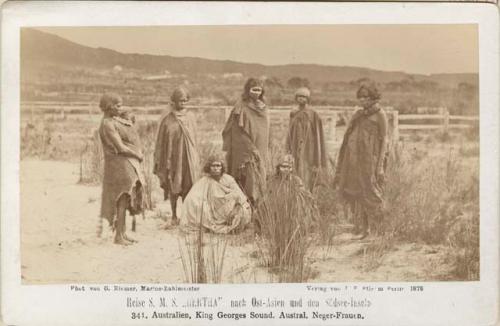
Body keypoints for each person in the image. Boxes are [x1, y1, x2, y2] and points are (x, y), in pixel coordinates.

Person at [334, 82, 388, 240]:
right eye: (360, 97)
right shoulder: (358, 114)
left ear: (373, 97)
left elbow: (384, 139)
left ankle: (378, 230)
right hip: (353, 160)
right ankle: (364, 230)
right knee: (357, 193)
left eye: (366, 97)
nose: (363, 100)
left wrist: (380, 166)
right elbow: (349, 134)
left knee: (371, 193)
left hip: (370, 160)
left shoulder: (380, 114)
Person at [97, 93, 145, 245]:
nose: (120, 108)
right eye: (117, 105)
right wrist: (137, 154)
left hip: (122, 164)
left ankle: (122, 233)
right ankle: (118, 236)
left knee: (124, 199)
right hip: (117, 164)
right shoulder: (107, 124)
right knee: (121, 198)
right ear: (109, 106)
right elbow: (120, 147)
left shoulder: (111, 121)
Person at [154, 86, 200, 227]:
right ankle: (174, 215)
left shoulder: (191, 117)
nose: (183, 103)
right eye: (180, 100)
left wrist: (195, 156)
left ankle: (186, 216)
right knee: (174, 185)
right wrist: (162, 160)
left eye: (186, 100)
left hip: (188, 158)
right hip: (173, 160)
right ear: (174, 101)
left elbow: (195, 139)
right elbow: (162, 142)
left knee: (188, 186)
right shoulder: (168, 120)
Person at [222, 78, 269, 206]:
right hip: (244, 151)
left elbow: (264, 131)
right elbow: (237, 131)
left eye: (259, 90)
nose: (256, 93)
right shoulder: (240, 107)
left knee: (259, 178)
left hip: (261, 148)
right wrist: (250, 149)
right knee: (246, 180)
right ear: (248, 90)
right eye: (254, 90)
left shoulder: (263, 107)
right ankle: (244, 210)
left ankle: (255, 211)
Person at [181, 155, 252, 234]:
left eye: (218, 165)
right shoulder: (205, 181)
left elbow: (240, 196)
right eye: (213, 166)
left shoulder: (228, 179)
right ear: (209, 167)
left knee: (243, 210)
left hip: (229, 211)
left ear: (222, 167)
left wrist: (235, 209)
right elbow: (192, 197)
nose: (215, 168)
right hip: (212, 214)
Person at [286, 87, 327, 191]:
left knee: (307, 172)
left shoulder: (313, 114)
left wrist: (316, 153)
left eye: (304, 97)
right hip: (295, 148)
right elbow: (290, 133)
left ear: (308, 99)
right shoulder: (293, 113)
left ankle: (307, 197)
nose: (301, 99)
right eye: (299, 96)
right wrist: (288, 148)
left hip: (309, 149)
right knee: (295, 172)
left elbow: (318, 134)